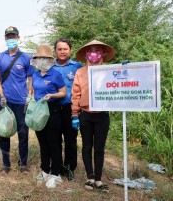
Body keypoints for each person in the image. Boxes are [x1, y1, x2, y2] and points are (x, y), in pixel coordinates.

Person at [71, 39, 115, 192]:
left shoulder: (110, 71)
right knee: (87, 146)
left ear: (103, 53)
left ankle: (98, 179)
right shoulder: (80, 72)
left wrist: (126, 70)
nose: (93, 53)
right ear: (86, 54)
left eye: (97, 50)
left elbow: (119, 84)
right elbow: (76, 94)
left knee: (99, 148)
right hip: (85, 115)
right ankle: (89, 177)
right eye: (91, 50)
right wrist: (75, 114)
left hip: (102, 115)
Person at [0, 26, 33, 174]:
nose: (11, 39)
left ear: (18, 38)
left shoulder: (26, 58)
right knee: (4, 133)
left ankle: (23, 164)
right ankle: (6, 164)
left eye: (13, 36)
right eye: (8, 37)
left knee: (23, 134)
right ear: (5, 38)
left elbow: (30, 80)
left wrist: (29, 96)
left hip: (21, 102)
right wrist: (2, 96)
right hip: (5, 102)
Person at [30, 44, 66, 189]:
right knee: (42, 143)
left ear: (50, 60)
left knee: (53, 144)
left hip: (52, 111)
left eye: (45, 58)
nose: (42, 61)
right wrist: (30, 98)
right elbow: (33, 90)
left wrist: (52, 95)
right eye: (39, 58)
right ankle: (45, 170)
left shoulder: (55, 74)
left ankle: (55, 173)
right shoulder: (35, 74)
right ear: (36, 60)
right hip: (39, 112)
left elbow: (63, 92)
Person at [52, 38, 82, 181]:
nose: (62, 52)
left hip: (71, 110)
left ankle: (70, 168)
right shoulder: (51, 67)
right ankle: (57, 168)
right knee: (55, 139)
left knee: (70, 140)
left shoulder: (77, 66)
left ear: (70, 50)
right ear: (55, 51)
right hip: (54, 108)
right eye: (59, 49)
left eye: (65, 49)